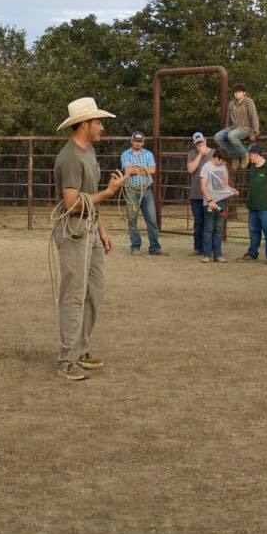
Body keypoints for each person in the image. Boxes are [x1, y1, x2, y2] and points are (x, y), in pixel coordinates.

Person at [52, 97, 125, 382]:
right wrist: (109, 193)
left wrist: (102, 229)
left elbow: (89, 198)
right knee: (74, 293)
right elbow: (73, 203)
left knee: (95, 290)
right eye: (98, 122)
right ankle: (67, 357)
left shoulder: (88, 152)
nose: (101, 127)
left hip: (90, 229)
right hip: (74, 230)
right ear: (84, 124)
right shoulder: (70, 158)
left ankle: (80, 349)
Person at [120, 131, 165, 256]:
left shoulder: (148, 154)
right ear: (132, 141)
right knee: (132, 219)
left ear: (143, 142)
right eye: (136, 141)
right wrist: (144, 169)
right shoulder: (125, 154)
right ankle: (135, 246)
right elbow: (127, 170)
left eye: (140, 141)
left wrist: (135, 169)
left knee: (152, 219)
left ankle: (154, 247)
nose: (137, 143)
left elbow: (152, 170)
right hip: (131, 190)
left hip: (146, 190)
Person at [199, 149, 235, 263]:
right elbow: (203, 186)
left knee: (219, 228)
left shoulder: (223, 167)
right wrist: (210, 201)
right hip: (210, 203)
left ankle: (218, 255)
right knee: (208, 229)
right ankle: (207, 254)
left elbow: (225, 185)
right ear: (217, 158)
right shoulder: (206, 167)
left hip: (222, 202)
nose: (225, 164)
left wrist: (232, 190)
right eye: (223, 161)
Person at [215, 83, 260, 165]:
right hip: (233, 128)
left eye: (239, 92)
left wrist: (255, 132)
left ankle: (244, 155)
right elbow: (228, 120)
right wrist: (225, 129)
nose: (237, 93)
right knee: (217, 137)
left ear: (244, 93)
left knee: (231, 135)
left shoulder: (249, 102)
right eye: (235, 92)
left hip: (246, 128)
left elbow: (254, 116)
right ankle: (236, 155)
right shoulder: (231, 104)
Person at [186, 132, 212, 256]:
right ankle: (198, 247)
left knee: (209, 221)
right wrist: (200, 154)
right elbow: (191, 170)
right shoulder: (192, 154)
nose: (199, 144)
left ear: (205, 140)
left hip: (211, 195)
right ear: (194, 144)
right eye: (197, 143)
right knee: (198, 222)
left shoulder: (214, 153)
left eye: (201, 142)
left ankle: (208, 247)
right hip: (196, 194)